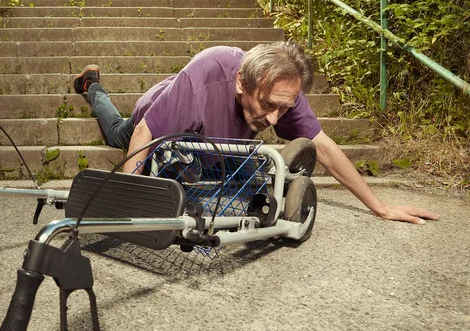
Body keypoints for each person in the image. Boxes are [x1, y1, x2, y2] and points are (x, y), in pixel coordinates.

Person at [73, 42, 439, 225]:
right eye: (267, 104)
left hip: (212, 144)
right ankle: (92, 85)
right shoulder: (207, 74)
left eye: (283, 108)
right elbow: (141, 134)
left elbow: (323, 148)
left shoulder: (283, 93)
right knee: (116, 130)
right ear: (240, 83)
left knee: (244, 171)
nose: (273, 118)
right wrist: (131, 209)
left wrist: (379, 206)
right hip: (154, 117)